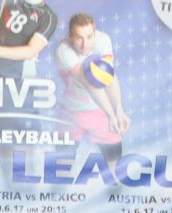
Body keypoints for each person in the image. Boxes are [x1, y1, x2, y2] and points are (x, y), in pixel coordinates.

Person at [0, 0, 59, 175]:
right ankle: (8, 177)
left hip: (20, 78)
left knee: (23, 134)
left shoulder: (48, 17)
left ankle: (26, 177)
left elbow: (31, 51)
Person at [55, 13, 130, 164]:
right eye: (79, 38)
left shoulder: (102, 40)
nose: (85, 44)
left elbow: (108, 77)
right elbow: (90, 83)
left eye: (89, 37)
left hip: (99, 112)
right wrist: (111, 114)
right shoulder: (64, 51)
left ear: (95, 32)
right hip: (71, 113)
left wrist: (119, 111)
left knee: (115, 163)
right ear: (70, 36)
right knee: (61, 165)